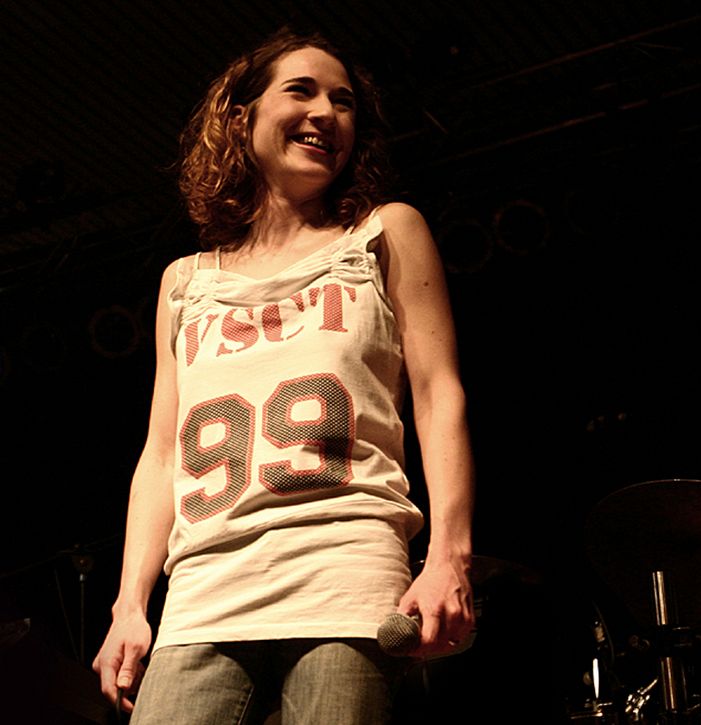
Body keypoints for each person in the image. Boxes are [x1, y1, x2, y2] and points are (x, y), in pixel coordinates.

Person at [92, 27, 475, 724]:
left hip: (343, 571)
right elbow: (162, 454)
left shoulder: (384, 233)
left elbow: (437, 394)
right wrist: (129, 604)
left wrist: (449, 555)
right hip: (205, 589)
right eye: (301, 91)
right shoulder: (186, 282)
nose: (326, 112)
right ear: (242, 118)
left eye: (344, 102)